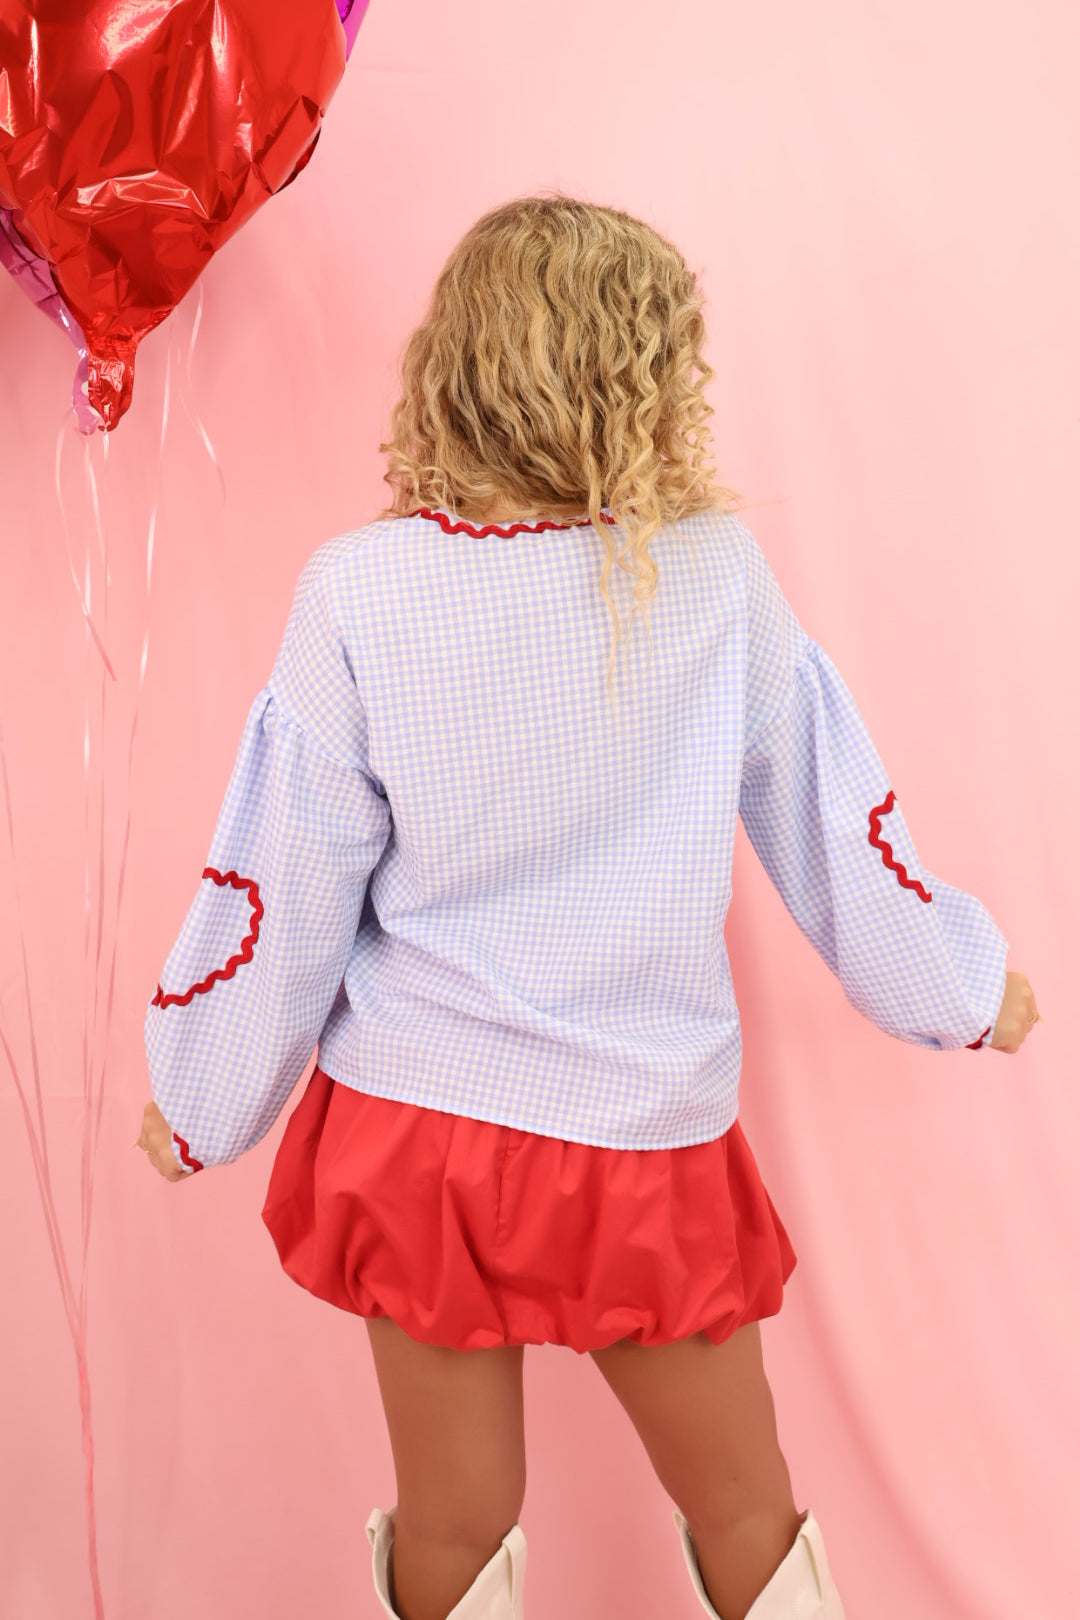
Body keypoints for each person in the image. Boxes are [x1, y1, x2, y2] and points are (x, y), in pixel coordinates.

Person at [135, 194, 1042, 1620]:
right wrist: (961, 985)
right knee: (744, 1505)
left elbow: (283, 879)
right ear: (655, 376)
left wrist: (200, 1099)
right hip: (639, 1124)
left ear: (452, 365)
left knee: (453, 1518)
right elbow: (831, 818)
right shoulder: (713, 574)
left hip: (418, 1128)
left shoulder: (360, 590)